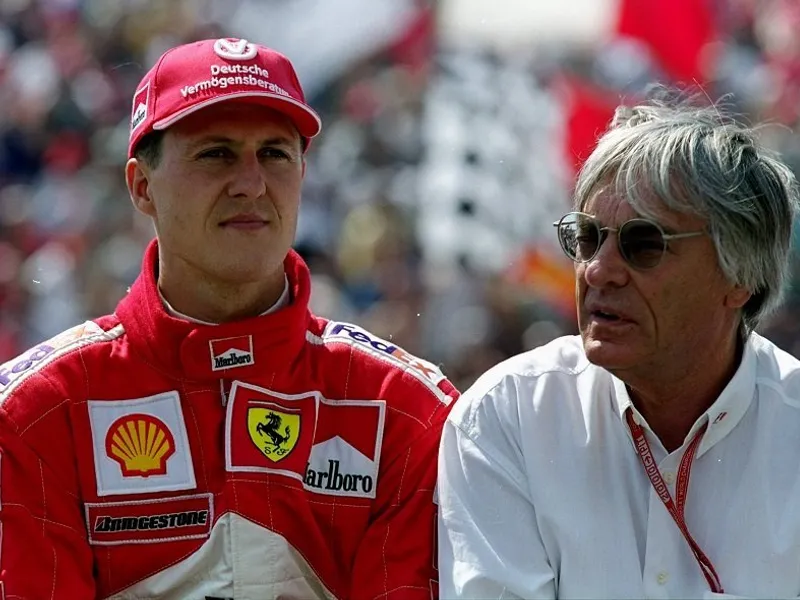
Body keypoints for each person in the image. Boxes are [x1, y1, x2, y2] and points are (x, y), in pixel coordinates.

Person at [0, 37, 459, 599]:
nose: (251, 183)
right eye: (215, 152)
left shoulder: (405, 409)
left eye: (274, 153)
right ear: (142, 186)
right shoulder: (38, 410)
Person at [437, 94, 800, 598]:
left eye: (644, 244)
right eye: (587, 238)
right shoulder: (509, 416)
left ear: (739, 276)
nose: (599, 270)